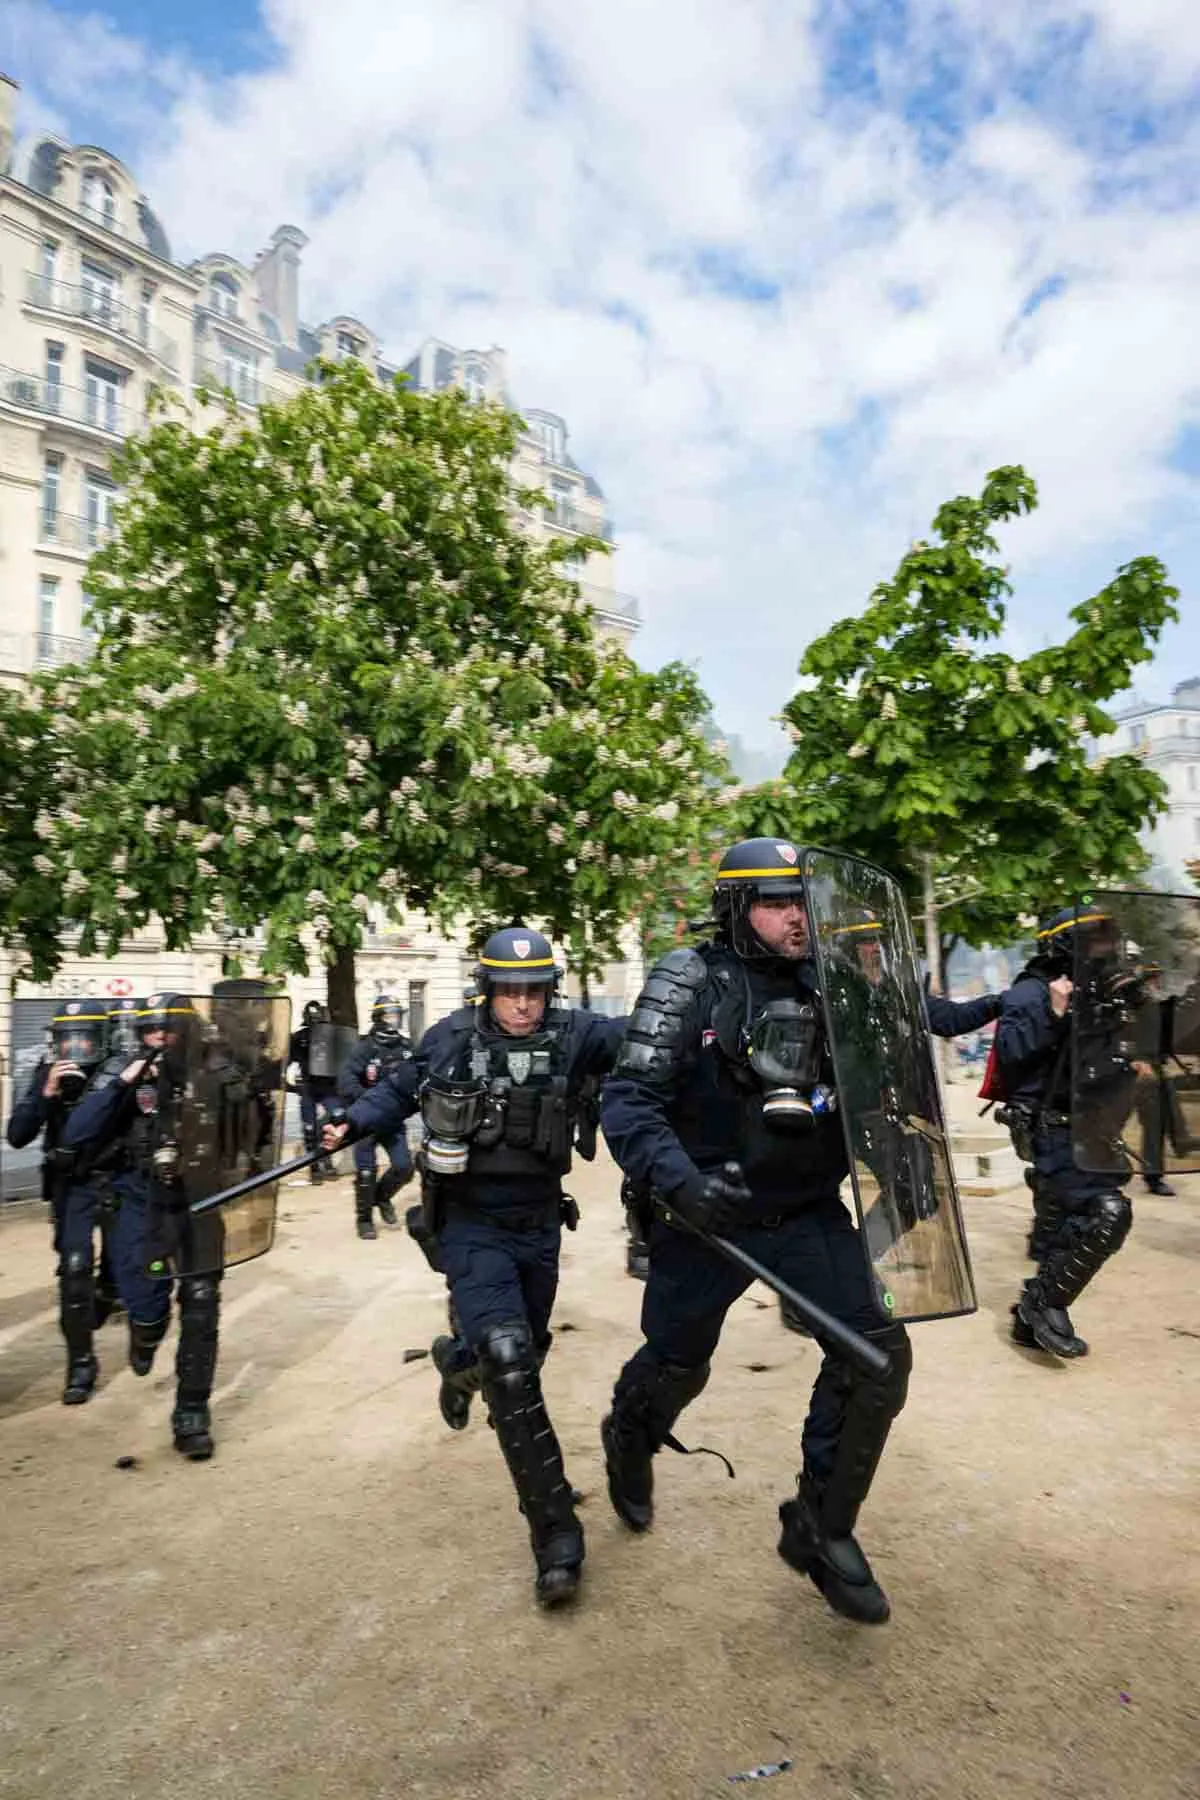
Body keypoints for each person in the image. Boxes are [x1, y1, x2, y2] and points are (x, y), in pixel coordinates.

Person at [599, 838, 924, 1627]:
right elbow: (629, 1100)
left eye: (801, 902)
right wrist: (682, 1184)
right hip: (706, 1218)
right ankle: (629, 1436)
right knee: (678, 1366)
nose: (796, 919)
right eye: (778, 903)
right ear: (739, 909)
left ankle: (820, 1526)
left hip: (804, 1211)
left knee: (877, 1357)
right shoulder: (690, 980)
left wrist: (902, 1157)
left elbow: (868, 1089)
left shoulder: (831, 985)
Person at [325, 926, 625, 1607]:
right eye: (509, 990)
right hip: (468, 1221)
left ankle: (457, 1365)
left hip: (540, 1223)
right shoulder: (452, 1037)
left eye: (535, 991)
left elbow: (648, 1036)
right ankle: (556, 1536)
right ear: (488, 989)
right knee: (512, 1361)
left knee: (523, 1354)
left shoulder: (579, 1035)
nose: (522, 1004)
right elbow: (398, 1090)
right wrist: (351, 1121)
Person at [61, 994, 224, 1459]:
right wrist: (122, 1088)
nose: (160, 1038)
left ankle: (192, 1412)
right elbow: (77, 1132)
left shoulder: (211, 1073)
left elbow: (252, 1130)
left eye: (169, 1029)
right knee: (146, 1299)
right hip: (142, 1203)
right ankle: (146, 1330)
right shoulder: (125, 1072)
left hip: (200, 1204)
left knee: (202, 1303)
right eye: (152, 1030)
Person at [994, 908, 1136, 1360]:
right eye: (1094, 942)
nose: (1104, 951)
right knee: (1107, 1214)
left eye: (1107, 942)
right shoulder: (1030, 992)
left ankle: (1026, 1320)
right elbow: (1013, 1055)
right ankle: (1045, 1304)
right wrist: (1054, 1013)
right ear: (1066, 945)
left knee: (1065, 1230)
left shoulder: (1096, 994)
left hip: (1090, 1128)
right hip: (1050, 1127)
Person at [5, 999, 113, 1404]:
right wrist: (46, 1094)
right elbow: (17, 1134)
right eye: (68, 1041)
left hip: (114, 1179)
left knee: (123, 1268)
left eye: (85, 1040)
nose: (76, 1050)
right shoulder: (45, 1075)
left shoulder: (115, 1071)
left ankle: (110, 1294)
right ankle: (81, 1364)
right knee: (74, 1268)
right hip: (72, 1186)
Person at [337, 993, 415, 1240]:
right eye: (390, 1015)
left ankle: (382, 1197)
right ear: (379, 1018)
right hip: (367, 1121)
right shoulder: (365, 1047)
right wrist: (367, 1100)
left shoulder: (406, 1047)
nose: (394, 1020)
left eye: (397, 1015)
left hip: (393, 1121)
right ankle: (364, 1219)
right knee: (366, 1173)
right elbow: (346, 1080)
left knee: (404, 1168)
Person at [288, 1000, 338, 1182]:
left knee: (334, 1120)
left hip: (329, 1087)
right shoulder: (298, 1037)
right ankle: (314, 1167)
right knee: (309, 1128)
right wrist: (290, 1084)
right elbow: (287, 1061)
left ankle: (327, 1158)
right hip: (308, 1086)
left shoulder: (333, 1038)